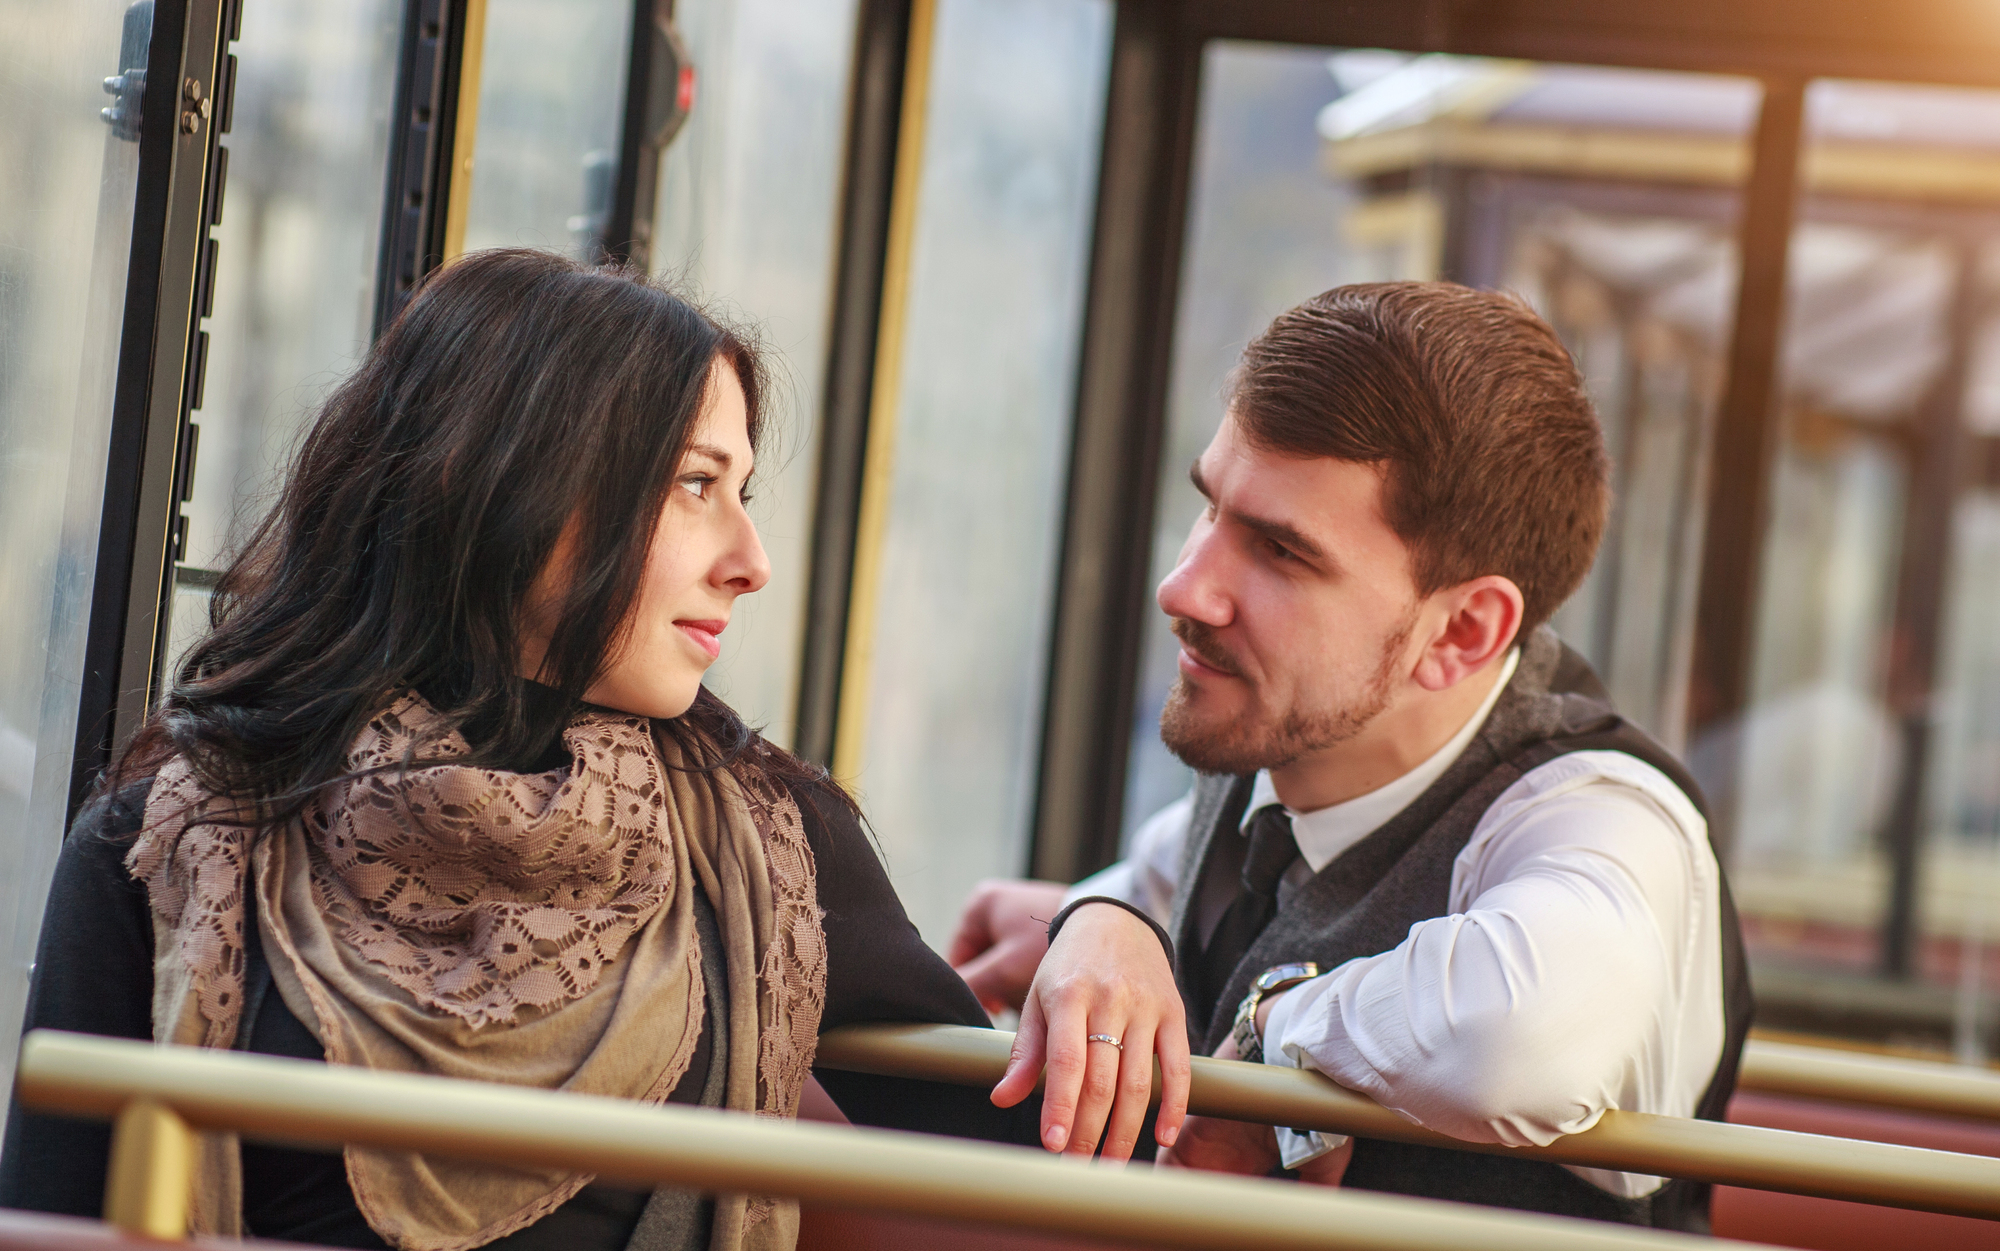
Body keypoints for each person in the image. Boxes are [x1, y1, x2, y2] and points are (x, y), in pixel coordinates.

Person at [2, 249, 1035, 1251]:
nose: (748, 562)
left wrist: (1104, 926)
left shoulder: (767, 849)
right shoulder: (170, 845)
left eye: (741, 493)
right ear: (516, 486)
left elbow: (1033, 1161)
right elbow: (52, 1213)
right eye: (692, 485)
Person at [950, 282, 1751, 1229]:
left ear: (1461, 630)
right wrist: (1093, 919)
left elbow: (1516, 1040)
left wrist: (1269, 1036)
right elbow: (1152, 896)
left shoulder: (1603, 814)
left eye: (1282, 552)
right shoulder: (1274, 761)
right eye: (1210, 509)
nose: (1184, 587)